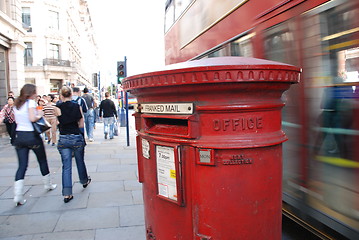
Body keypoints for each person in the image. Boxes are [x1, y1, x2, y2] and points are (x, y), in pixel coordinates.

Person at [12, 84, 56, 206]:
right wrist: (40, 114)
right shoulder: (30, 103)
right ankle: (48, 184)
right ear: (31, 93)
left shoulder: (17, 104)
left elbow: (17, 121)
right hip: (32, 136)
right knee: (42, 160)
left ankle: (18, 195)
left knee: (22, 165)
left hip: (19, 136)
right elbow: (32, 118)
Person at [55, 86, 91, 203]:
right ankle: (84, 181)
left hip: (64, 138)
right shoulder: (77, 106)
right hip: (76, 137)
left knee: (66, 166)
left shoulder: (58, 107)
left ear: (61, 95)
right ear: (71, 94)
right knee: (80, 161)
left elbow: (57, 123)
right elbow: (81, 124)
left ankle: (67, 194)